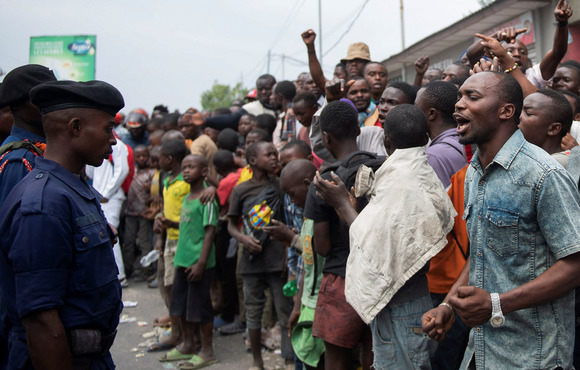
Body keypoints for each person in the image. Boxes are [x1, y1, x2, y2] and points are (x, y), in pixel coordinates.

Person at [422, 72, 580, 369]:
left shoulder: (543, 174)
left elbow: (575, 264)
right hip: (481, 352)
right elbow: (482, 252)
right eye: (459, 97)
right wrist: (448, 306)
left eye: (473, 97)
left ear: (506, 111)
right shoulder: (473, 174)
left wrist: (496, 304)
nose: (459, 105)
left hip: (534, 357)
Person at [313, 104, 455, 369]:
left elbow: (377, 248)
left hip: (403, 308)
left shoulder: (401, 180)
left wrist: (342, 204)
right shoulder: (414, 172)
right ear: (425, 138)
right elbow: (389, 234)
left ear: (386, 139)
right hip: (411, 301)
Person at [0, 79, 124, 369]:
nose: (114, 139)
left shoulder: (71, 189)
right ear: (76, 127)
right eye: (107, 128)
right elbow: (42, 321)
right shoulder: (44, 204)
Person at [304, 100, 374, 370]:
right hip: (378, 276)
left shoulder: (323, 180)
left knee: (336, 356)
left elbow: (321, 247)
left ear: (325, 138)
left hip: (341, 277)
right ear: (358, 129)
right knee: (374, 351)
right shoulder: (382, 168)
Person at [227, 141, 294, 369]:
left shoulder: (281, 185)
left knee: (284, 310)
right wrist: (244, 239)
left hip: (277, 261)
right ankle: (257, 360)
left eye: (275, 154)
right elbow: (231, 225)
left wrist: (287, 256)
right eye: (269, 155)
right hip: (251, 261)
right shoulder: (241, 190)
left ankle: (288, 357)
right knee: (253, 312)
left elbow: (288, 221)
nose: (274, 158)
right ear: (253, 161)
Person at [171, 154, 219, 370]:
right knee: (181, 305)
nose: (186, 171)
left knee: (200, 307)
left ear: (204, 172)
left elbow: (210, 232)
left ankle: (207, 351)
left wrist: (201, 263)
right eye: (184, 167)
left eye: (191, 167)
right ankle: (188, 343)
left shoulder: (207, 199)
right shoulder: (186, 198)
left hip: (199, 262)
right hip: (182, 259)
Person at [278, 159, 326, 370]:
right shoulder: (307, 220)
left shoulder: (323, 219)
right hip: (307, 303)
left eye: (292, 194)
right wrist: (298, 305)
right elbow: (307, 265)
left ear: (308, 184)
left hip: (323, 303)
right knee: (304, 357)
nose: (291, 201)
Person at [466, 0, 573, 89]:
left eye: (522, 52)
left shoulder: (534, 76)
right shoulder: (491, 72)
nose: (517, 54)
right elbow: (471, 55)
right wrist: (499, 35)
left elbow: (557, 53)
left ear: (528, 60)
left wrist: (562, 23)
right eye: (510, 51)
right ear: (498, 55)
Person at [150, 138, 190, 356]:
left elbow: (191, 214)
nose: (157, 162)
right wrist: (160, 223)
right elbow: (165, 208)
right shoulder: (166, 179)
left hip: (182, 240)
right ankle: (177, 329)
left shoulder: (186, 181)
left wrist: (171, 223)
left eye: (160, 158)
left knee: (177, 290)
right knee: (166, 286)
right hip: (169, 240)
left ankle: (180, 333)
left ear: (171, 159)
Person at [0, 64, 56, 207]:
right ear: (16, 106)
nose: (49, 104)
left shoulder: (39, 148)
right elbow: (13, 224)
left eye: (53, 97)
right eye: (40, 99)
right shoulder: (20, 160)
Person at [415, 81, 467, 188]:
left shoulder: (432, 156)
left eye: (416, 108)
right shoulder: (468, 143)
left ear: (431, 114)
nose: (413, 113)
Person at [122, 144, 156, 280]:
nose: (141, 158)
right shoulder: (131, 171)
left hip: (144, 213)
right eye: (138, 156)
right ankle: (127, 268)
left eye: (144, 156)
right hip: (130, 212)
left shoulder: (151, 173)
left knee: (144, 242)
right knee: (128, 242)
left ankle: (145, 270)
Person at [519, 89, 573, 168]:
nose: (518, 116)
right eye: (519, 110)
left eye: (528, 113)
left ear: (553, 129)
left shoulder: (555, 165)